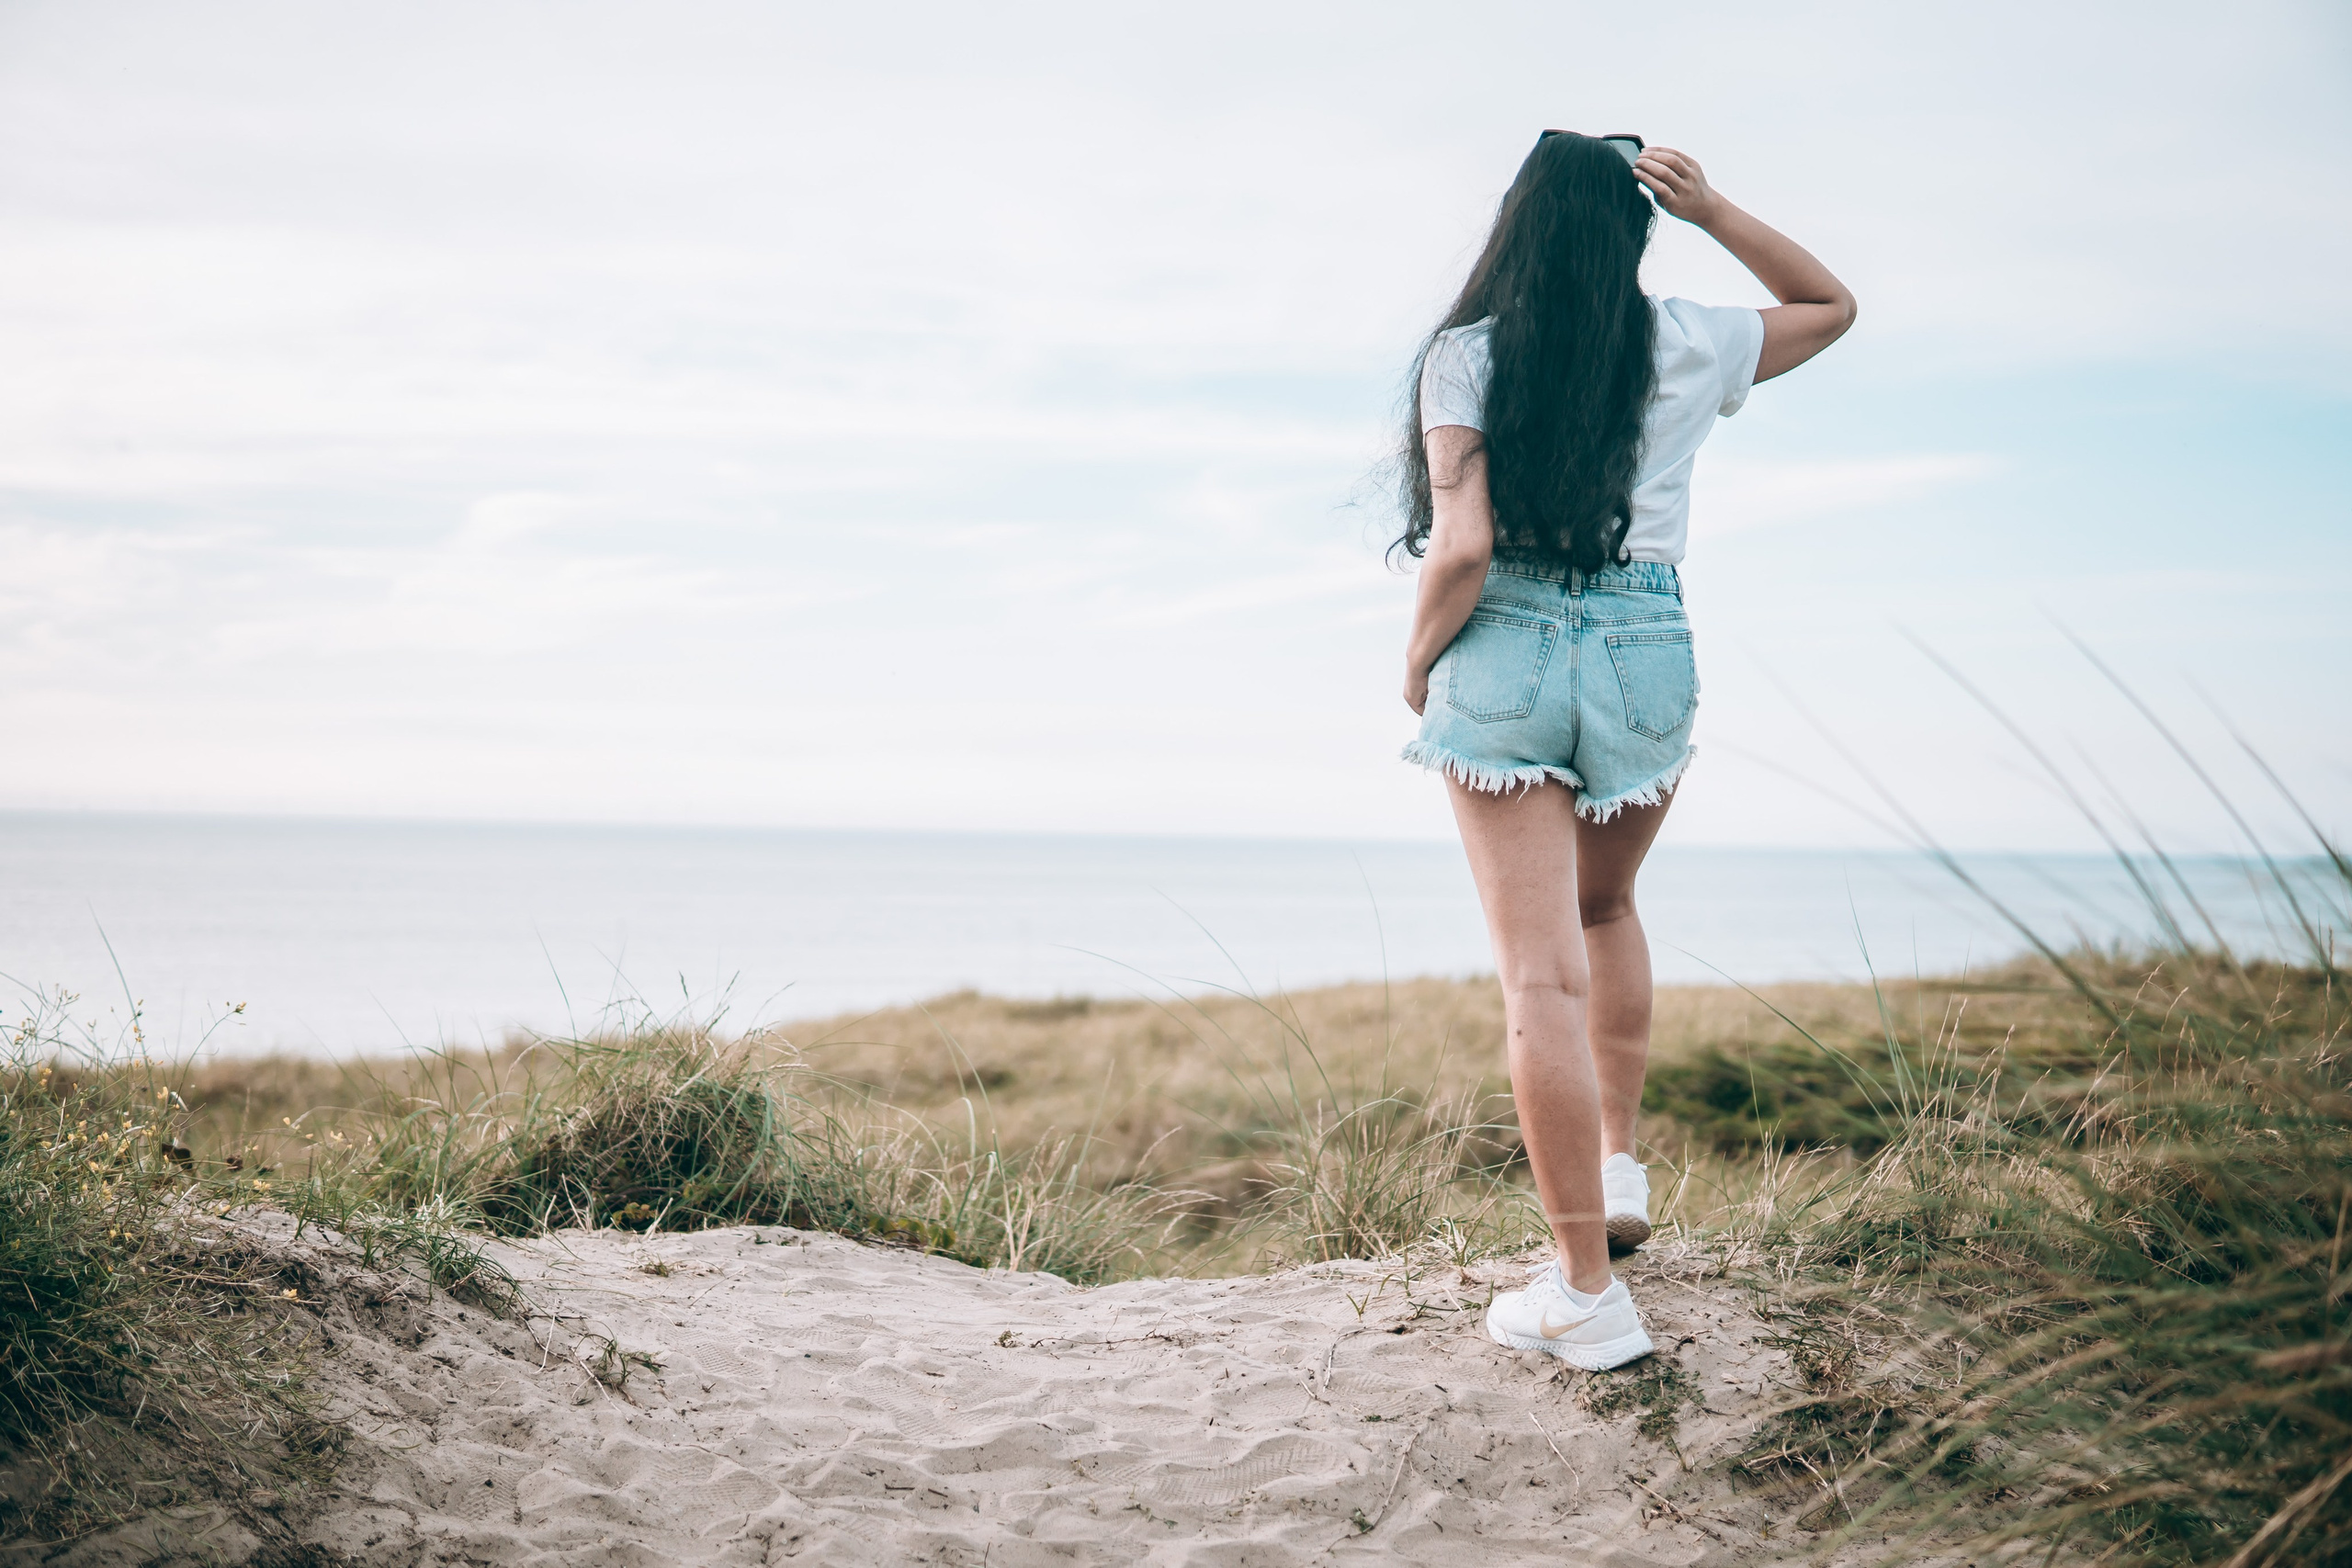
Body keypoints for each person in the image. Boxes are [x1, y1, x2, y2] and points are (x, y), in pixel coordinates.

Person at [1396, 132, 1854, 1369]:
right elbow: (1830, 304)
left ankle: (1586, 1292)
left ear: (1519, 227)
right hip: (1647, 640)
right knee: (1607, 909)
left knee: (1537, 980)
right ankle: (1620, 1163)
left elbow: (1463, 549)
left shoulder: (1469, 356)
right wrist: (1713, 210)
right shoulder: (1692, 340)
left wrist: (1417, 662)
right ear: (1634, 232)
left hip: (1509, 646)